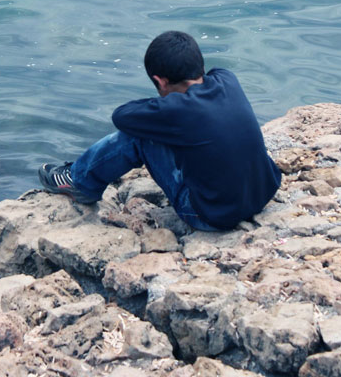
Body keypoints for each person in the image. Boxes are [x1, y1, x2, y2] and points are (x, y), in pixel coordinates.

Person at [39, 30, 281, 231]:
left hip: (211, 216)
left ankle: (79, 182)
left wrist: (162, 105)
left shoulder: (179, 111)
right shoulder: (227, 79)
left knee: (137, 137)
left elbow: (122, 116)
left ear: (161, 81)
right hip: (261, 195)